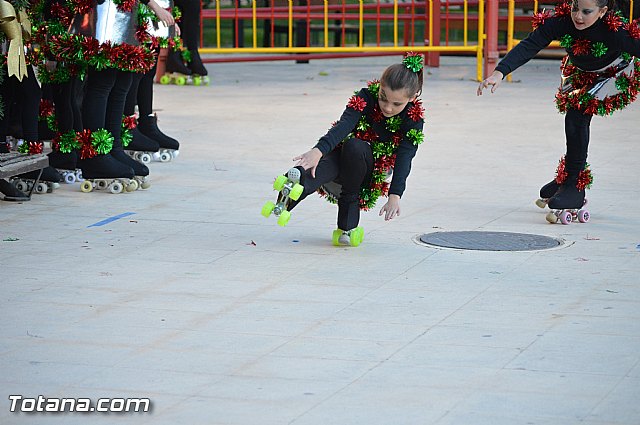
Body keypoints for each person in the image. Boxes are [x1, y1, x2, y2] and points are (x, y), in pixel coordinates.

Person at [477, 0, 640, 213]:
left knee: (576, 120)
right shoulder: (562, 22)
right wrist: (500, 72)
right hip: (581, 72)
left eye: (586, 12)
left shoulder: (616, 31)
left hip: (613, 72)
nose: (578, 16)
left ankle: (575, 186)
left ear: (602, 12)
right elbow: (532, 43)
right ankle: (568, 178)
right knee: (573, 121)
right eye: (575, 8)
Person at [275, 52, 426, 246]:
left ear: (412, 98)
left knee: (355, 148)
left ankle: (345, 225)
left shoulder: (413, 119)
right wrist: (317, 151)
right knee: (329, 161)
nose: (387, 108)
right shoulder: (364, 98)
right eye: (383, 98)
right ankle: (294, 188)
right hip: (345, 155)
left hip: (372, 169)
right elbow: (344, 125)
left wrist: (395, 195)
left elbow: (405, 157)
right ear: (379, 86)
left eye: (396, 104)